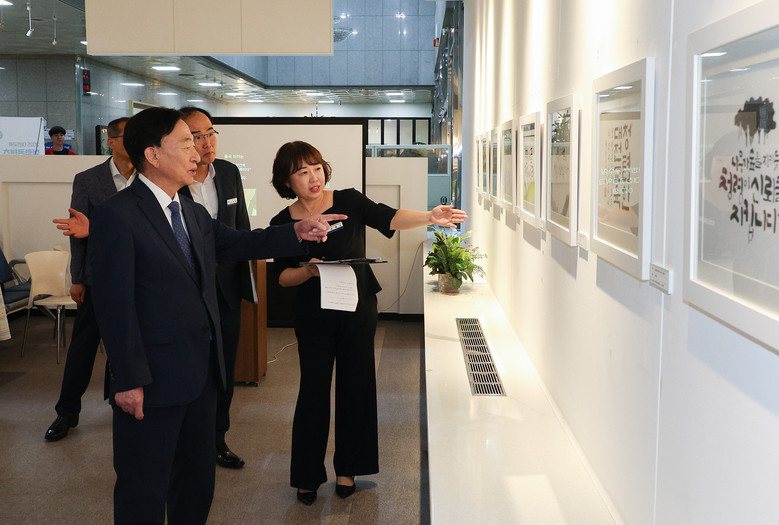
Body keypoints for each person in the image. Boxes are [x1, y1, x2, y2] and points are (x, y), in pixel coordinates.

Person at [88, 108, 345, 524]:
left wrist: (296, 232)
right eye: (186, 143)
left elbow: (238, 242)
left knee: (195, 484)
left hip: (202, 376)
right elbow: (114, 306)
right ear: (152, 154)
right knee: (144, 489)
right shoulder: (117, 215)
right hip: (151, 382)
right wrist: (129, 380)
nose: (198, 152)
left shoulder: (191, 212)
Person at [268, 141, 467, 505]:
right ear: (286, 181)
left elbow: (389, 217)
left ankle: (349, 469)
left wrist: (429, 216)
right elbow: (282, 277)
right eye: (302, 172)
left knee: (356, 385)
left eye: (316, 168)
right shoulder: (282, 223)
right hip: (313, 314)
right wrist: (309, 271)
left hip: (356, 307)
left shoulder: (348, 200)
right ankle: (307, 476)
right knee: (312, 392)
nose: (313, 177)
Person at [45, 117, 134, 442]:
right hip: (98, 279)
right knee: (83, 347)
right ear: (111, 142)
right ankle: (67, 411)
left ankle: (122, 402)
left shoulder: (149, 176)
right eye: (128, 136)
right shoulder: (88, 179)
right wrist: (78, 278)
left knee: (133, 345)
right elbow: (76, 233)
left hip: (140, 278)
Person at [178, 106, 251, 469]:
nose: (207, 142)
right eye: (196, 136)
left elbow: (241, 228)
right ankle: (187, 440)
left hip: (226, 290)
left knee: (224, 369)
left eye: (210, 133)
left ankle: (218, 438)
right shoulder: (174, 180)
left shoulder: (229, 172)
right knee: (191, 368)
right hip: (188, 293)